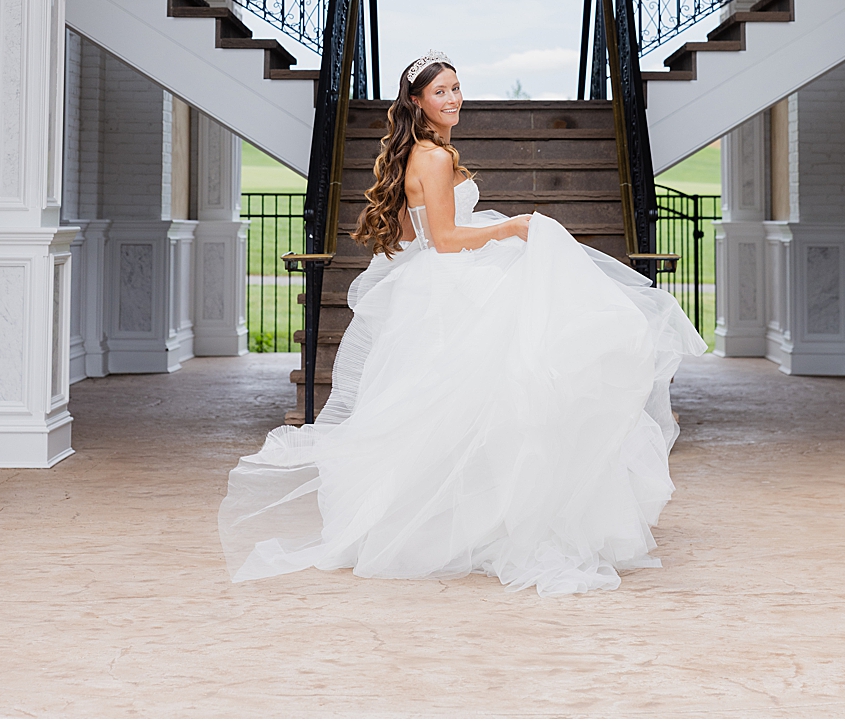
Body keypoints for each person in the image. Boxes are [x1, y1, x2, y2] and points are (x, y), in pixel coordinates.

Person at [219, 52, 707, 595]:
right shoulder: (432, 157)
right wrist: (512, 227)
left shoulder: (423, 151)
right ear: (416, 101)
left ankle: (464, 521)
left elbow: (418, 233)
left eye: (455, 87)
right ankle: (486, 522)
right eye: (440, 92)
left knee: (468, 404)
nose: (453, 99)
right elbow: (447, 240)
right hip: (446, 283)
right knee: (498, 391)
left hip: (436, 281)